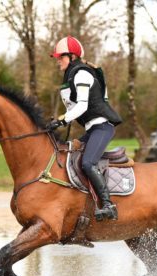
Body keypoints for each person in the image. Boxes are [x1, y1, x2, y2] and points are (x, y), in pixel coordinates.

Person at [46, 36, 122, 221]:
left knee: (88, 163)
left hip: (102, 127)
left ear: (72, 56)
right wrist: (56, 122)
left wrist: (61, 120)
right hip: (92, 129)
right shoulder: (71, 75)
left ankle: (108, 205)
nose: (58, 61)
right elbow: (73, 109)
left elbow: (81, 107)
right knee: (70, 152)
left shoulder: (82, 74)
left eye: (61, 57)